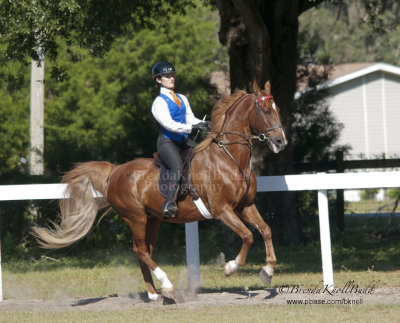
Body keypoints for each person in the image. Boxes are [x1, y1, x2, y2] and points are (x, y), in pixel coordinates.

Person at [151, 61, 211, 219]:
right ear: (158, 80)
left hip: (183, 141)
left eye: (172, 75)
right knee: (177, 166)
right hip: (167, 142)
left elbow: (190, 118)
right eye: (167, 76)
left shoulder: (182, 98)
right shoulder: (159, 102)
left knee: (204, 154)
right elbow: (169, 124)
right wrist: (191, 128)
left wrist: (201, 123)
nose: (171, 78)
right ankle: (169, 203)